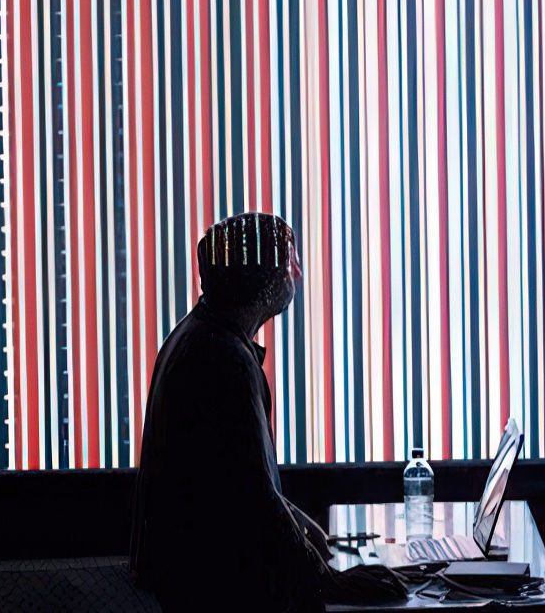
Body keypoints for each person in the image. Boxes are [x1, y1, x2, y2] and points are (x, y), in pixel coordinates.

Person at [130, 212, 405, 611]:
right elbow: (256, 499)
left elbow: (243, 480)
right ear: (261, 276)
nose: (297, 272)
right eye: (289, 261)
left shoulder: (197, 335)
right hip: (216, 591)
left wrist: (308, 531)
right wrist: (327, 580)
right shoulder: (225, 359)